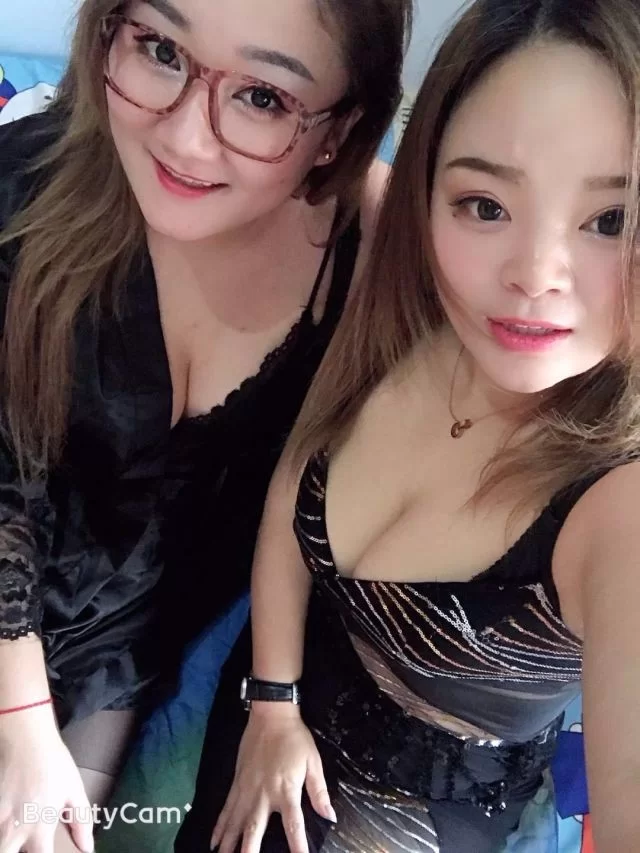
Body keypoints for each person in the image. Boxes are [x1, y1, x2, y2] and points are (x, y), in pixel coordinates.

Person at [174, 0, 640, 851]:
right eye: (484, 204)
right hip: (260, 732)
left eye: (611, 220)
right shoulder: (418, 323)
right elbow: (295, 485)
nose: (535, 275)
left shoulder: (620, 502)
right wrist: (272, 701)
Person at [0, 0, 412, 850]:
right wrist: (20, 712)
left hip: (118, 663)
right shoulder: (19, 194)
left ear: (340, 130)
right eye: (159, 48)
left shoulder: (374, 246)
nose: (187, 138)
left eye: (263, 97)